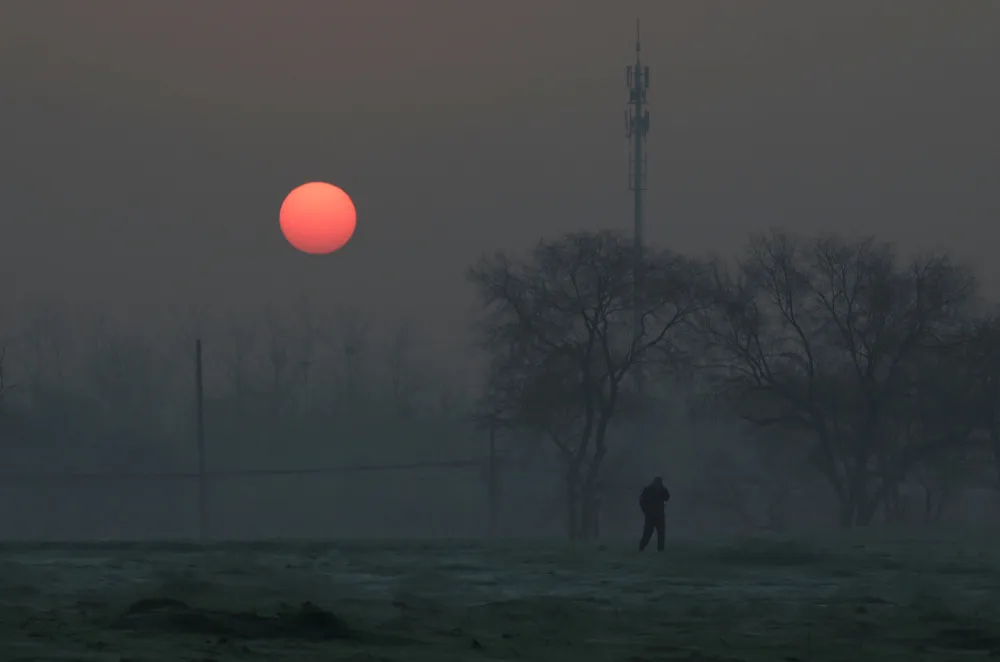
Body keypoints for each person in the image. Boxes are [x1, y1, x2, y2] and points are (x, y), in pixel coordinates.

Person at [638, 476, 670, 551]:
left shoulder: (661, 490)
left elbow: (667, 497)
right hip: (651, 515)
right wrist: (646, 511)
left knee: (661, 533)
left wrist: (664, 489)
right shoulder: (648, 490)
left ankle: (660, 548)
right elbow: (642, 502)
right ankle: (641, 547)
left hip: (659, 514)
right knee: (648, 533)